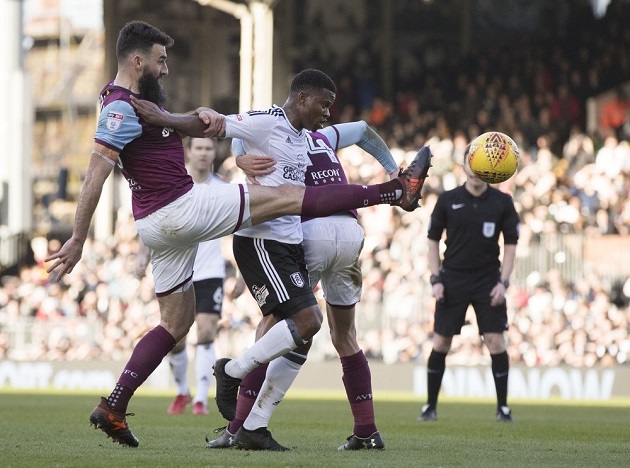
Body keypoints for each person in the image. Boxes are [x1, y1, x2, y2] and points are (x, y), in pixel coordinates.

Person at [44, 21, 429, 448]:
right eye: (161, 60)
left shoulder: (133, 101)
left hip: (159, 225)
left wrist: (199, 125)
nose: (167, 69)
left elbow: (198, 127)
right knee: (285, 196)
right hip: (179, 208)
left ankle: (114, 405)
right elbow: (96, 171)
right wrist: (78, 238)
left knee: (176, 323)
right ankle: (393, 191)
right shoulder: (120, 106)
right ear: (138, 61)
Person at [206, 120, 408, 451]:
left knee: (274, 327)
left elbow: (237, 132)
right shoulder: (324, 136)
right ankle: (366, 431)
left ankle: (238, 425)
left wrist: (240, 157)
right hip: (350, 231)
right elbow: (362, 130)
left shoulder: (277, 137)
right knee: (344, 337)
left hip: (312, 230)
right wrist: (391, 170)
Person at [418, 155, 519, 423]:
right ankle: (430, 406)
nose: (475, 172)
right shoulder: (448, 200)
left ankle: (503, 408)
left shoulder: (502, 202)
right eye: (471, 165)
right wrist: (436, 279)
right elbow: (432, 241)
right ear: (464, 167)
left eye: (481, 166)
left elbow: (511, 244)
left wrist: (503, 282)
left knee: (496, 341)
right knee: (441, 342)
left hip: (488, 280)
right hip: (453, 279)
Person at [135, 136, 227, 416]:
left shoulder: (223, 188)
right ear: (188, 151)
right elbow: (154, 215)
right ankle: (181, 391)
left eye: (208, 148)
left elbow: (241, 229)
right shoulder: (175, 183)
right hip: (178, 268)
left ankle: (201, 398)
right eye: (198, 147)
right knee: (176, 337)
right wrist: (142, 253)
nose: (203, 153)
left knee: (207, 330)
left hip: (211, 271)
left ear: (214, 153)